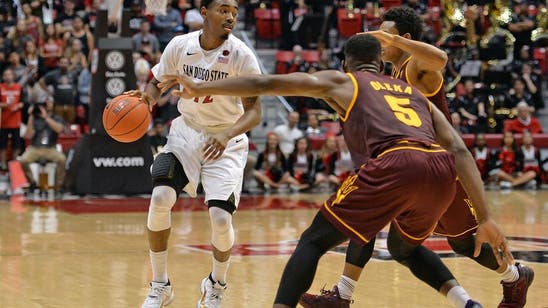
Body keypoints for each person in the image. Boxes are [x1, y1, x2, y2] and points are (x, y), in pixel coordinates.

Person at [172, 34, 515, 308]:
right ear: (381, 64)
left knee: (313, 241)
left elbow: (265, 84)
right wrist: (485, 218)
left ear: (346, 63)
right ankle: (466, 303)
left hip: (397, 161)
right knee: (403, 248)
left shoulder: (344, 80)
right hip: (441, 171)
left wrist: (202, 88)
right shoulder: (414, 92)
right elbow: (458, 148)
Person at [301, 7, 533, 307]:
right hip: (411, 169)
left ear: (405, 39)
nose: (379, 41)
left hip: (445, 169)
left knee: (463, 243)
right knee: (370, 219)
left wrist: (393, 41)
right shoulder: (391, 76)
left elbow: (441, 59)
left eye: (385, 35)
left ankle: (515, 276)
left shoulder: (415, 67)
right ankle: (342, 295)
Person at [126, 1, 262, 307]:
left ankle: (216, 283)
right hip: (186, 131)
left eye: (235, 12)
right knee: (160, 197)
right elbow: (157, 82)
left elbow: (255, 114)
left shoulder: (241, 55)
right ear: (204, 12)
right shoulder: (179, 45)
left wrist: (226, 134)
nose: (230, 17)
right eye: (224, 9)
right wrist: (147, 99)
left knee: (220, 218)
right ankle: (160, 285)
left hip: (226, 138)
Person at [20, 99, 66, 196]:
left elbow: (59, 129)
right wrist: (31, 116)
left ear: (53, 105)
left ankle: (59, 186)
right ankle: (32, 183)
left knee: (62, 159)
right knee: (23, 160)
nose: (48, 105)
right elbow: (28, 135)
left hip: (50, 148)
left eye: (50, 103)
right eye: (46, 103)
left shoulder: (57, 118)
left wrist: (46, 118)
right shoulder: (35, 118)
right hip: (35, 148)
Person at [0, 69, 24, 170]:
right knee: (2, 145)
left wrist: (18, 106)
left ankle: (14, 164)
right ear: (3, 77)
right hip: (3, 121)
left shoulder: (19, 87)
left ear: (13, 76)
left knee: (17, 144)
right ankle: (3, 164)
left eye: (9, 74)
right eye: (5, 74)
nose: (7, 76)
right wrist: (6, 105)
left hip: (16, 120)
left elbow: (23, 102)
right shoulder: (0, 87)